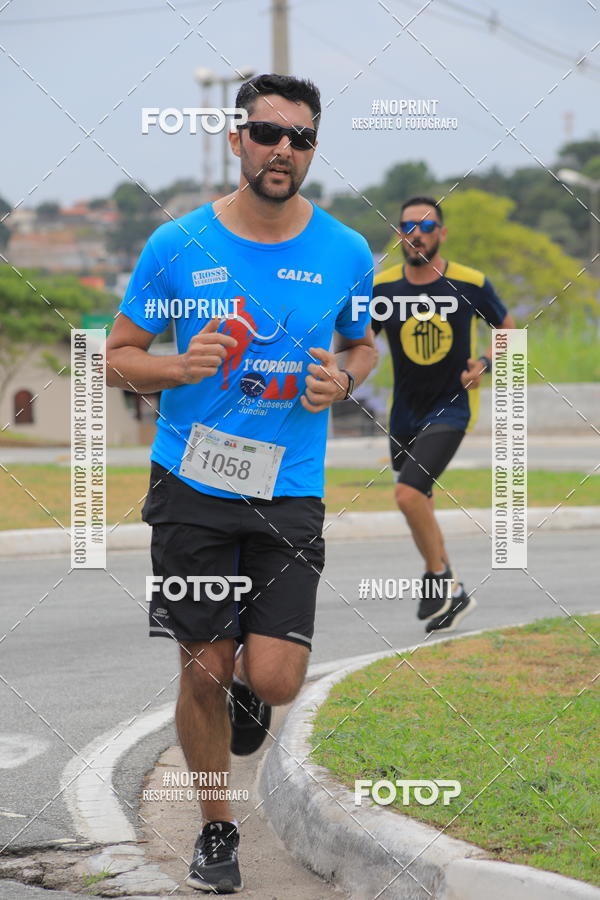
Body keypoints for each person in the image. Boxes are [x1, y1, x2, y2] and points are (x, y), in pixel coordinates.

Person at [105, 73, 376, 894]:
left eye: (302, 137)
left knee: (277, 676)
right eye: (268, 133)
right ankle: (216, 829)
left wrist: (344, 377)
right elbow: (115, 356)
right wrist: (174, 367)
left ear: (313, 149)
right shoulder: (177, 245)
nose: (283, 149)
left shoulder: (346, 251)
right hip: (190, 483)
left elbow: (363, 345)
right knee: (202, 668)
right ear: (237, 140)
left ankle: (253, 695)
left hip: (289, 488)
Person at [372, 196, 514, 634]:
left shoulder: (470, 283)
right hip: (403, 414)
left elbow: (508, 330)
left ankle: (439, 579)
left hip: (452, 408)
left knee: (408, 495)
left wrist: (485, 363)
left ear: (442, 233)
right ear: (399, 234)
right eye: (407, 226)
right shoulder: (382, 288)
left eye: (427, 226)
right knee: (422, 502)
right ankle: (453, 593)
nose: (416, 234)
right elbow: (358, 342)